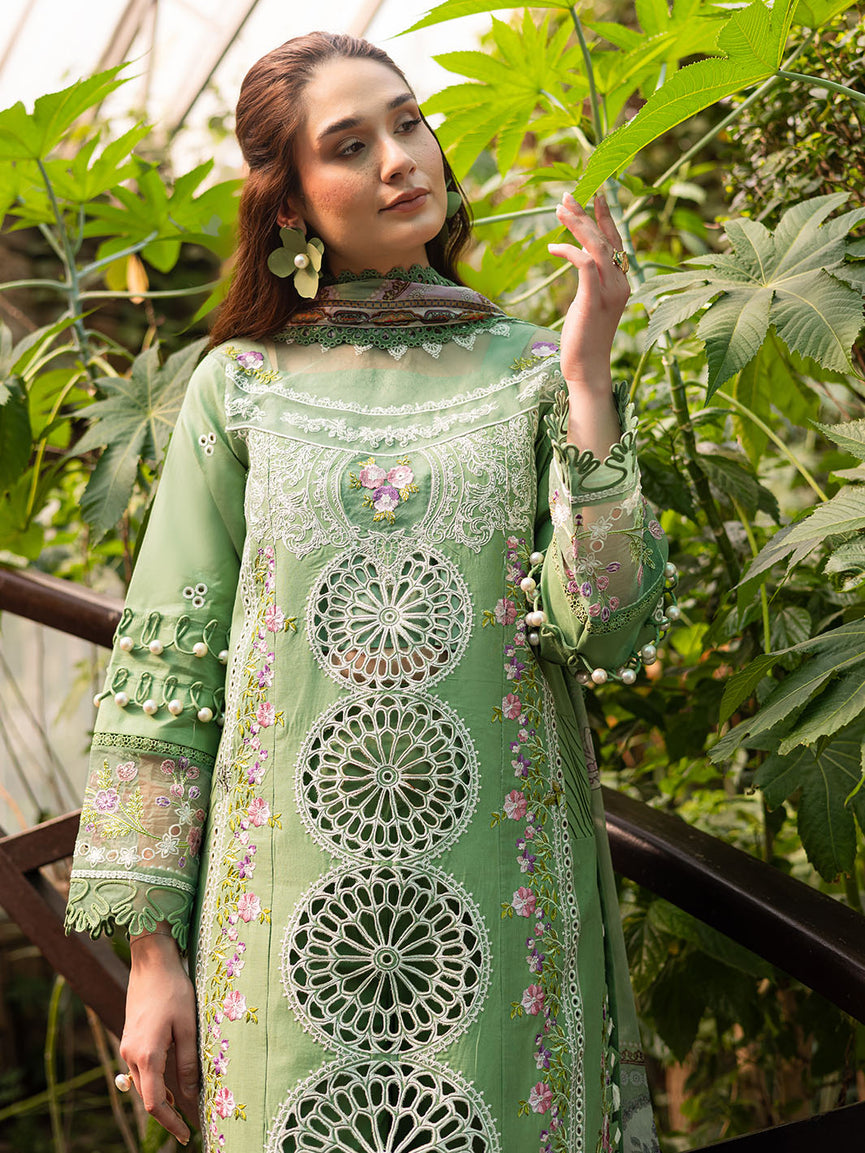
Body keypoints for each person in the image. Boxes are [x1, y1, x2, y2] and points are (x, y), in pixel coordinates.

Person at [65, 30, 675, 1153]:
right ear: (290, 203)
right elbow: (166, 666)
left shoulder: (530, 369)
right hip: (283, 922)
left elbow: (606, 626)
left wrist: (588, 376)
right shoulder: (240, 388)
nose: (401, 159)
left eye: (407, 123)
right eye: (349, 145)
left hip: (502, 907)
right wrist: (151, 958)